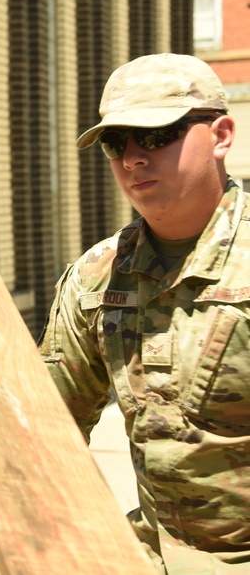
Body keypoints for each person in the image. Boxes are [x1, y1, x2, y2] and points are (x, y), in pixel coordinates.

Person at [39, 53, 249, 572]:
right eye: (117, 142)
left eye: (156, 136)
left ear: (221, 135)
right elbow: (45, 431)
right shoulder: (98, 276)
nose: (133, 158)